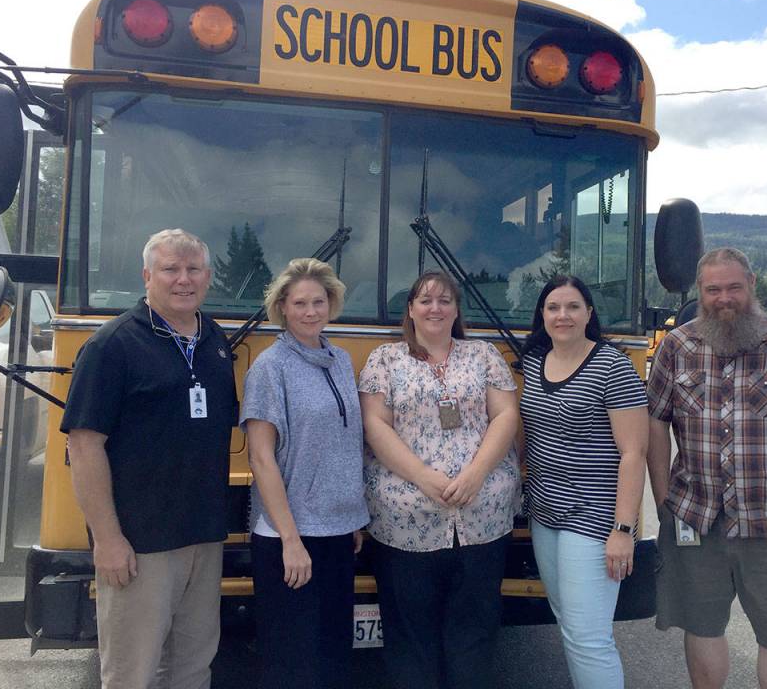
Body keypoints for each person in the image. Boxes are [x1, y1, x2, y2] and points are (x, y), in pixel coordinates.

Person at [646, 247, 767, 689]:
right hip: (694, 520)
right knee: (702, 628)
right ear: (700, 291)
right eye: (713, 289)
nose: (724, 298)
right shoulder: (677, 347)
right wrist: (663, 501)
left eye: (733, 287)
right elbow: (655, 424)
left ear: (751, 285)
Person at [62, 228, 237, 689]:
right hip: (139, 546)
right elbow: (83, 447)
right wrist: (108, 539)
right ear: (147, 276)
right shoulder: (111, 346)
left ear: (208, 276)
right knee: (132, 674)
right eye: (171, 269)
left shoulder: (215, 340)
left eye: (193, 269)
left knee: (192, 668)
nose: (184, 279)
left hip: (202, 538)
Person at [358, 271, 520, 689]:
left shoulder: (483, 355)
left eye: (445, 300)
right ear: (410, 309)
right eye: (425, 300)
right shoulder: (384, 359)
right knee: (410, 636)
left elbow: (505, 415)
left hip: (481, 519)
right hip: (404, 523)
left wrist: (476, 473)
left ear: (456, 310)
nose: (435, 308)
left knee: (475, 632)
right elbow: (375, 424)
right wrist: (424, 477)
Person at [239, 258, 369, 689]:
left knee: (334, 655)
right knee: (293, 663)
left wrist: (352, 517)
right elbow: (261, 459)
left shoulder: (340, 361)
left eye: (319, 301)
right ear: (282, 308)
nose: (310, 311)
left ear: (331, 304)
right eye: (300, 303)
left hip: (338, 531)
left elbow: (345, 444)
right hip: (289, 537)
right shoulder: (269, 368)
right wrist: (291, 540)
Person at [520, 275, 648, 689]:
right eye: (554, 307)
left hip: (593, 521)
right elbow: (527, 434)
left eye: (573, 307)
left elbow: (633, 453)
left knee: (588, 637)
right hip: (545, 516)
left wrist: (623, 530)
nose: (563, 315)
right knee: (568, 624)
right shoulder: (535, 362)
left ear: (588, 314)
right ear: (542, 314)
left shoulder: (613, 366)